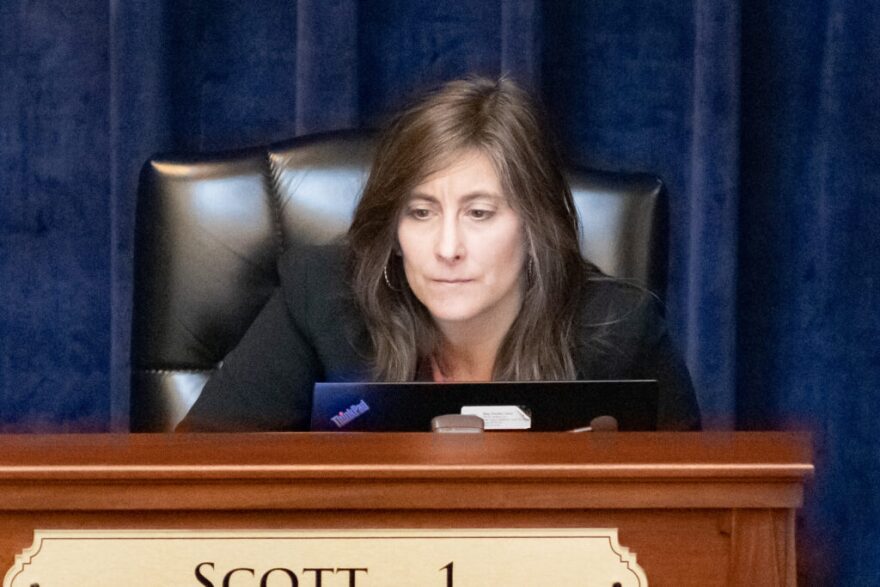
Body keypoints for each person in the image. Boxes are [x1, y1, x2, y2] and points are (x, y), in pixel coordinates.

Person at [177, 76, 701, 432]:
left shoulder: (618, 332)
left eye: (480, 214)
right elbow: (197, 477)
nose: (447, 249)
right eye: (421, 213)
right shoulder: (321, 299)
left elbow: (694, 518)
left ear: (535, 225)